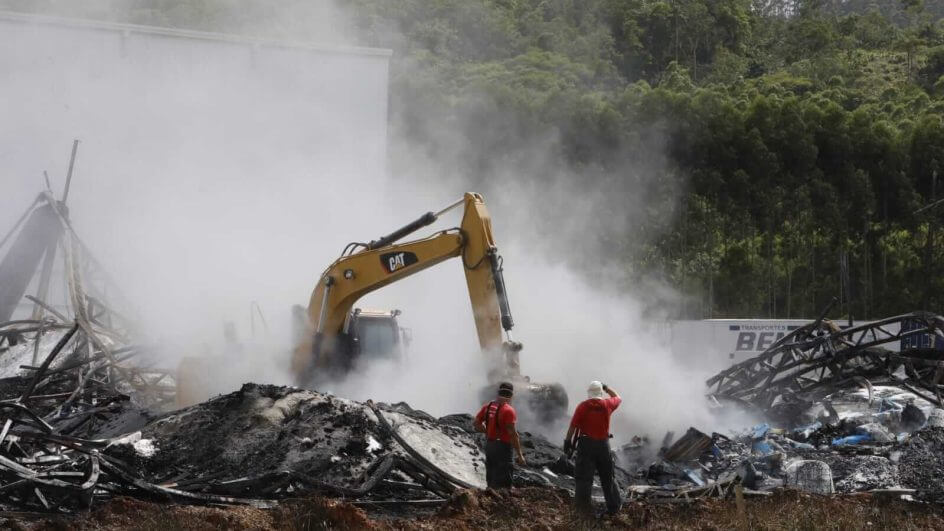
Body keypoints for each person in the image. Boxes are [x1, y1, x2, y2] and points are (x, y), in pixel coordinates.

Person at [564, 380, 622, 516]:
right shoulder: (608, 404)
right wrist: (607, 387)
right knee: (608, 478)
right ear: (601, 392)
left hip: (586, 445)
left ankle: (583, 510)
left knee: (584, 478)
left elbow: (572, 427)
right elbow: (618, 397)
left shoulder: (582, 406)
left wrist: (567, 442)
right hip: (603, 445)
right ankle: (614, 508)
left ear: (589, 393)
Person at [474, 381, 526, 488]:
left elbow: (476, 424)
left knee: (491, 476)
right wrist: (520, 455)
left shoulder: (487, 407)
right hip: (503, 448)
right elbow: (512, 434)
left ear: (498, 393)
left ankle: (490, 497)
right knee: (504, 481)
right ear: (511, 395)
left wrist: (488, 431)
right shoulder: (508, 410)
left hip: (490, 445)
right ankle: (501, 500)